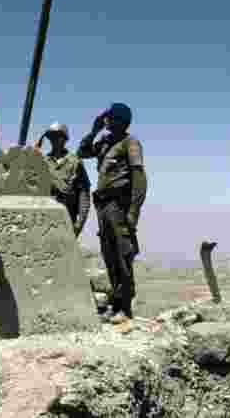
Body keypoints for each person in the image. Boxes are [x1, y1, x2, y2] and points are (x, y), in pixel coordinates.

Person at [78, 103, 148, 321]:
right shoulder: (105, 143)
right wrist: (93, 130)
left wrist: (134, 211)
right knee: (109, 254)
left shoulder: (130, 143)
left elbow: (139, 178)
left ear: (120, 120)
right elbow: (82, 152)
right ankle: (116, 302)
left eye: (109, 117)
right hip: (103, 205)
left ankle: (125, 307)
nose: (106, 120)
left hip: (119, 205)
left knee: (122, 253)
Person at [34, 122, 91, 236]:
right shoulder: (42, 162)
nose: (54, 140)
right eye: (52, 137)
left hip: (68, 218)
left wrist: (80, 222)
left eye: (57, 136)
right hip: (45, 219)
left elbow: (84, 194)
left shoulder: (75, 162)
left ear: (64, 139)